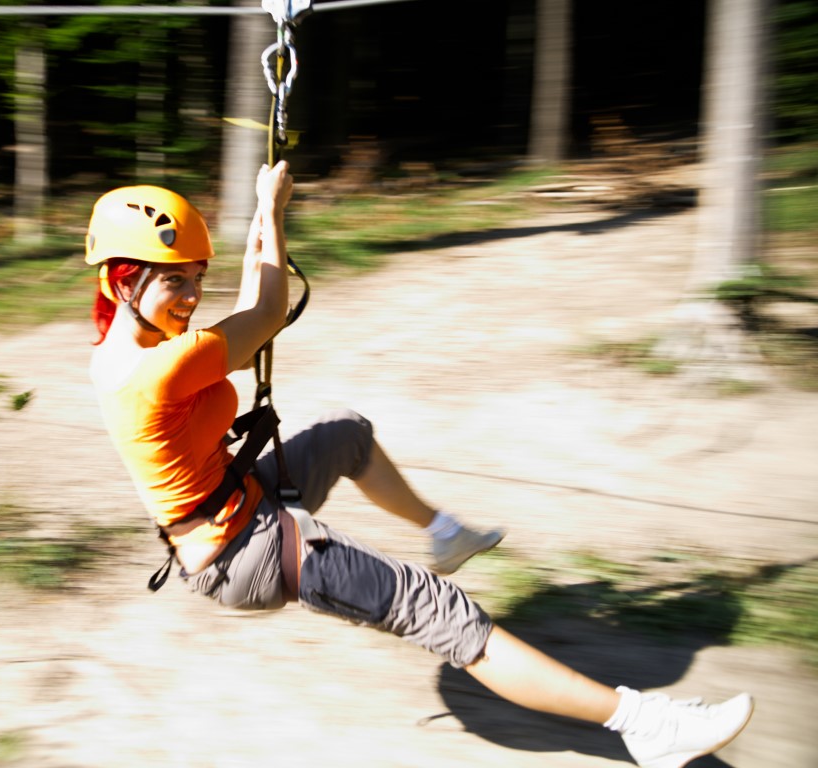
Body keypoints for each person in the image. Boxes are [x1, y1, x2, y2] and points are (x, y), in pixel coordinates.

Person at [85, 161, 753, 768]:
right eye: (176, 280)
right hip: (243, 553)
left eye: (198, 279)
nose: (193, 297)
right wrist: (272, 208)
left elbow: (256, 310)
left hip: (234, 508)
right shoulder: (159, 369)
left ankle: (442, 533)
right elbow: (267, 309)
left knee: (346, 435)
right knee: (441, 610)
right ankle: (646, 727)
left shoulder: (125, 352)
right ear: (123, 280)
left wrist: (266, 213)